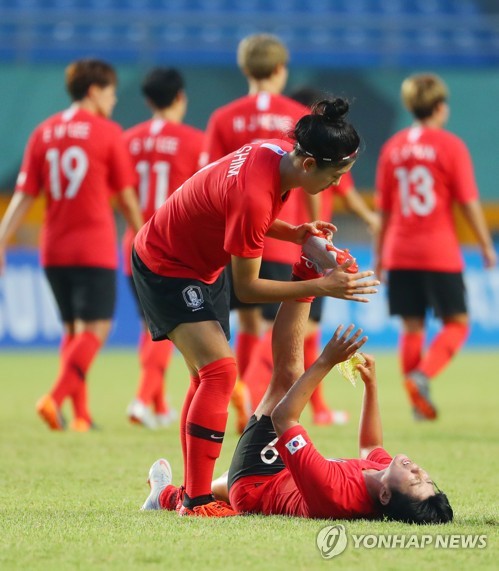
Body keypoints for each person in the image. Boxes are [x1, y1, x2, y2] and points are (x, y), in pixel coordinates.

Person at [132, 98, 380, 516]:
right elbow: (247, 288)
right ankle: (194, 501)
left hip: (198, 265)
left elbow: (241, 215)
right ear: (308, 166)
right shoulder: (256, 194)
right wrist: (322, 285)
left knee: (204, 378)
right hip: (167, 265)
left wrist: (296, 233)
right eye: (335, 175)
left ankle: (181, 496)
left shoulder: (271, 153)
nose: (335, 184)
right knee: (220, 371)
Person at [141, 278, 453, 524]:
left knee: (288, 377)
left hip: (257, 482)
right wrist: (371, 388)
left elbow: (284, 418)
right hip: (282, 478)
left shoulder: (335, 493)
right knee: (215, 489)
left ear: (385, 496)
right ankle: (164, 496)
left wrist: (326, 361)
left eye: (415, 483)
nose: (418, 472)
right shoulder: (382, 479)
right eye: (425, 477)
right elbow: (372, 448)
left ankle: (304, 273)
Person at [0, 58, 143, 432]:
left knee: (72, 331)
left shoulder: (43, 132)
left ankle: (80, 417)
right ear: (94, 91)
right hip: (93, 245)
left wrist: (1, 240)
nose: (113, 101)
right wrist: (143, 236)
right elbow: (127, 200)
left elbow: (23, 197)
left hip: (53, 248)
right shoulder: (108, 132)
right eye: (111, 94)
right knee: (95, 331)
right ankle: (55, 398)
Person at [200, 33, 316, 431]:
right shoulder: (298, 115)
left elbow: (207, 178)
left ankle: (240, 390)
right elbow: (310, 181)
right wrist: (314, 237)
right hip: (282, 239)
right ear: (281, 69)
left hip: (233, 240)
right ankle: (252, 396)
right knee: (274, 330)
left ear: (245, 69)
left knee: (246, 323)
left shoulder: (224, 117)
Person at [375, 73, 497, 420]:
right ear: (440, 107)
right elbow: (468, 202)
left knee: (412, 327)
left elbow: (383, 209)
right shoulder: (450, 146)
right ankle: (422, 376)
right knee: (457, 324)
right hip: (439, 251)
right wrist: (486, 244)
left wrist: (381, 256)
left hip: (399, 249)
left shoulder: (393, 147)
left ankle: (417, 401)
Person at [122, 67, 204, 429]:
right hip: (173, 250)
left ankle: (156, 404)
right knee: (167, 328)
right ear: (181, 97)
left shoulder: (127, 140)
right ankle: (141, 399)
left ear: (148, 100)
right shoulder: (194, 141)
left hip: (133, 245)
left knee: (151, 325)